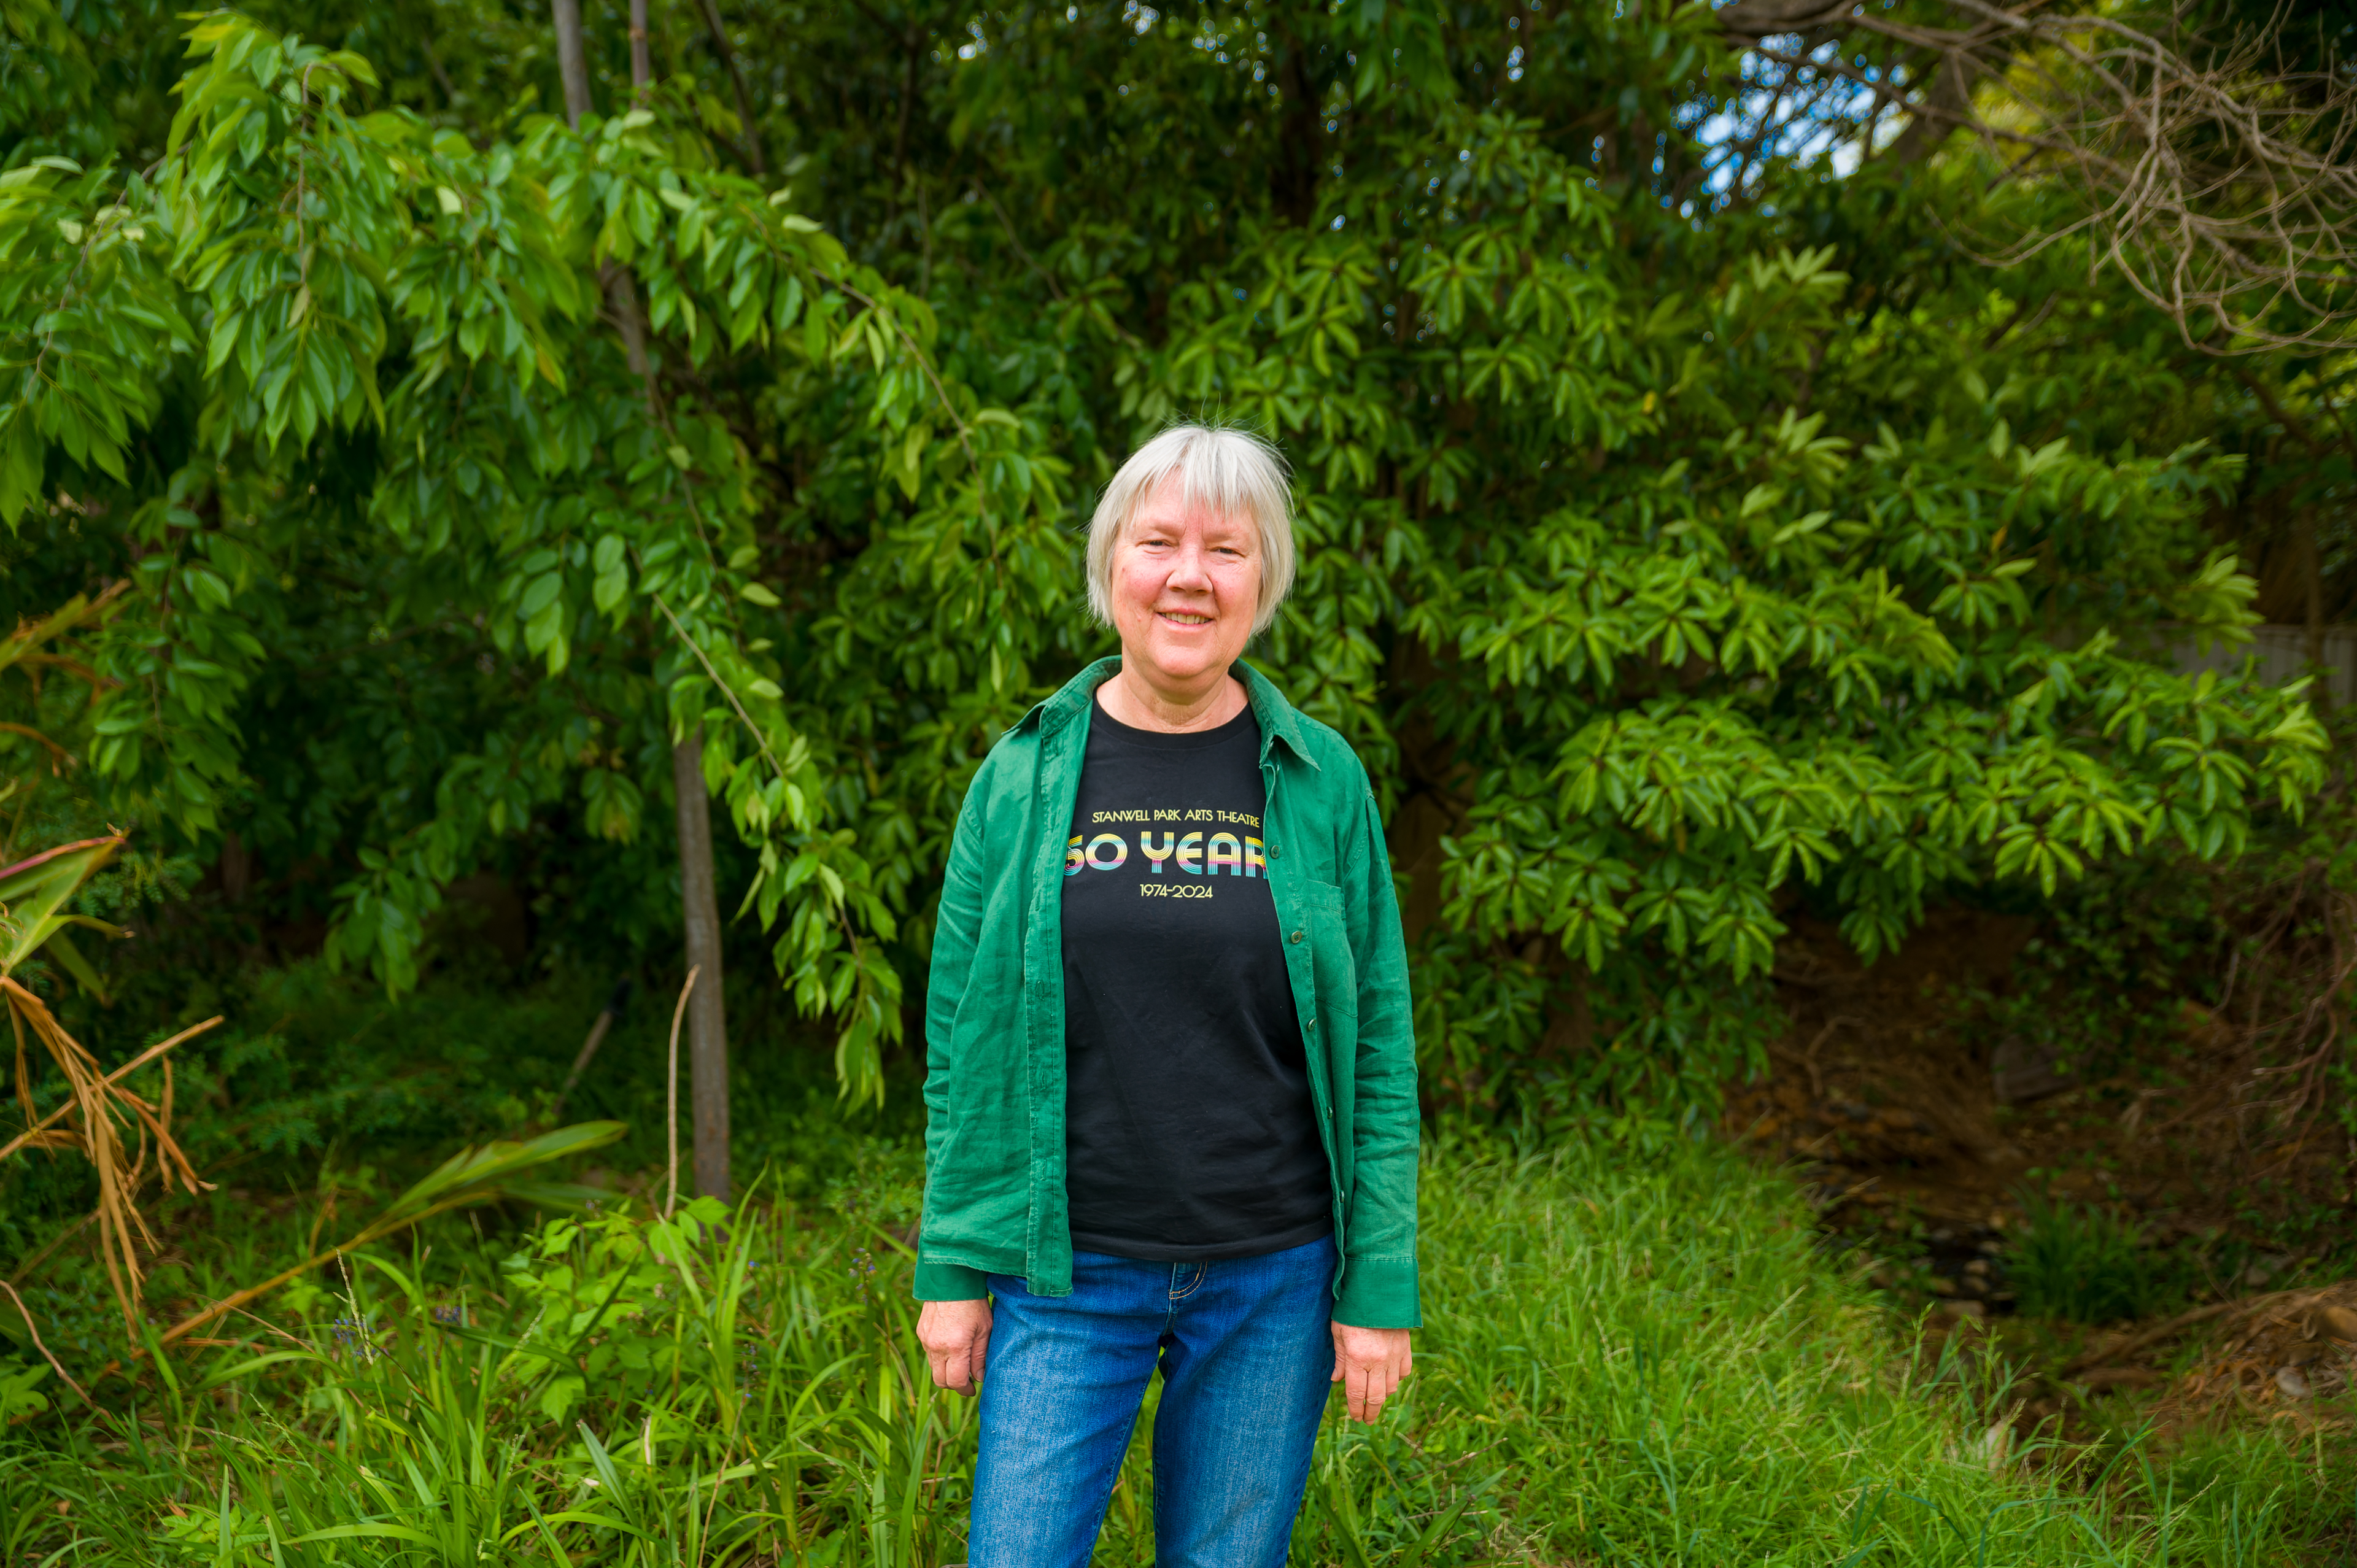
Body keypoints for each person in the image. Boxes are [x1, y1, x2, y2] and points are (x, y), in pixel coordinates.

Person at [913, 424, 1420, 1568]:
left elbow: (1379, 1045)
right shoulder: (1022, 773)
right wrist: (950, 1261)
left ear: (1262, 581)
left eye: (1226, 550)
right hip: (1063, 1270)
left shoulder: (1323, 779)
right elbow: (959, 1036)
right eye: (1159, 542)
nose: (1190, 574)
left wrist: (1378, 1283)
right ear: (1112, 569)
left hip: (1271, 1277)